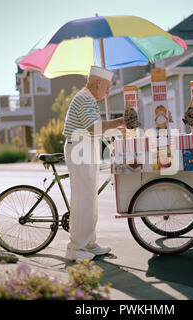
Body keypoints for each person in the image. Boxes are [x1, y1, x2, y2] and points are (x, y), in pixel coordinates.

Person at [63, 66, 126, 261]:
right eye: (106, 87)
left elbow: (96, 130)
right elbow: (93, 127)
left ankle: (88, 243)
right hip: (79, 149)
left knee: (89, 199)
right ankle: (75, 248)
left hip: (84, 148)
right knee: (83, 199)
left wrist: (118, 130)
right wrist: (120, 121)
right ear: (98, 83)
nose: (107, 92)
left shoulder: (89, 99)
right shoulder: (84, 99)